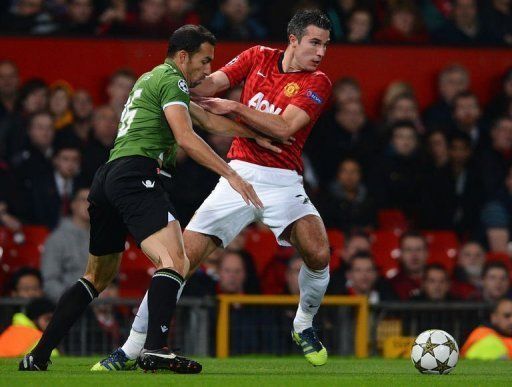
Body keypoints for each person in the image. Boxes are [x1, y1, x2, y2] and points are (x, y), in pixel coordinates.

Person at [18, 24, 266, 373]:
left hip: (107, 179)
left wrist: (259, 135)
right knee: (175, 260)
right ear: (183, 57)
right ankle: (156, 348)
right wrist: (233, 173)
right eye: (205, 60)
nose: (209, 70)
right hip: (138, 175)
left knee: (95, 277)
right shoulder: (173, 80)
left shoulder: (151, 80)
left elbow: (208, 120)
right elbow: (187, 137)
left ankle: (37, 356)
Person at [98, 9, 333, 369]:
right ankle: (130, 348)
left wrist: (236, 107)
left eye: (325, 45)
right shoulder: (258, 56)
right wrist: (171, 84)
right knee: (179, 262)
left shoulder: (318, 82)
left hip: (282, 178)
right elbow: (208, 85)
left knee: (318, 253)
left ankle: (303, 323)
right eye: (314, 43)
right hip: (238, 171)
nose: (320, 52)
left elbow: (285, 129)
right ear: (293, 39)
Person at [41, 187, 91, 302]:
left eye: (93, 200)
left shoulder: (103, 237)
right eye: (83, 200)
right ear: (73, 205)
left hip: (101, 305)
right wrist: (73, 300)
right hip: (69, 307)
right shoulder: (57, 239)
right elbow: (49, 281)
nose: (89, 204)